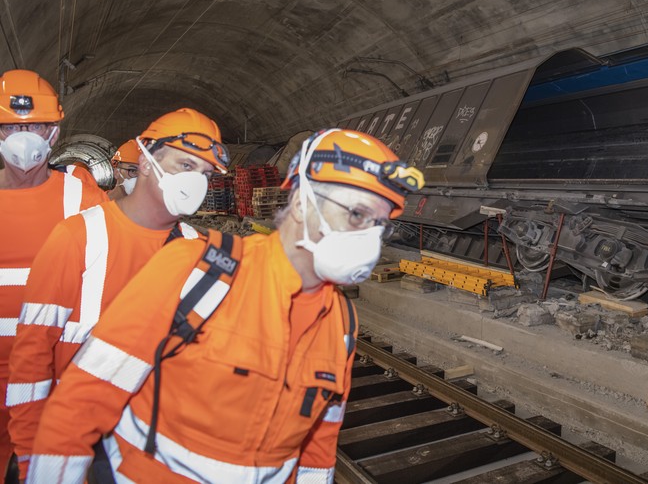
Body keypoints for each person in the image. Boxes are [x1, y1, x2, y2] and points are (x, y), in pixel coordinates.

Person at [28, 128, 424, 483]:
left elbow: (319, 448)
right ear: (303, 203)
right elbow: (80, 404)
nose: (369, 239)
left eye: (380, 224)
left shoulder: (340, 323)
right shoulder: (196, 271)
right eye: (356, 214)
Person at [7, 108, 228, 480]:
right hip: (83, 447)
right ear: (144, 162)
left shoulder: (203, 251)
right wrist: (32, 459)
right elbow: (31, 360)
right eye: (185, 165)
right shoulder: (77, 237)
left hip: (159, 450)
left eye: (205, 174)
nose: (196, 182)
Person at [0, 69, 107, 477]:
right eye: (10, 126)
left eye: (36, 125)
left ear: (55, 132)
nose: (22, 137)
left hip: (54, 381)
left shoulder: (82, 196)